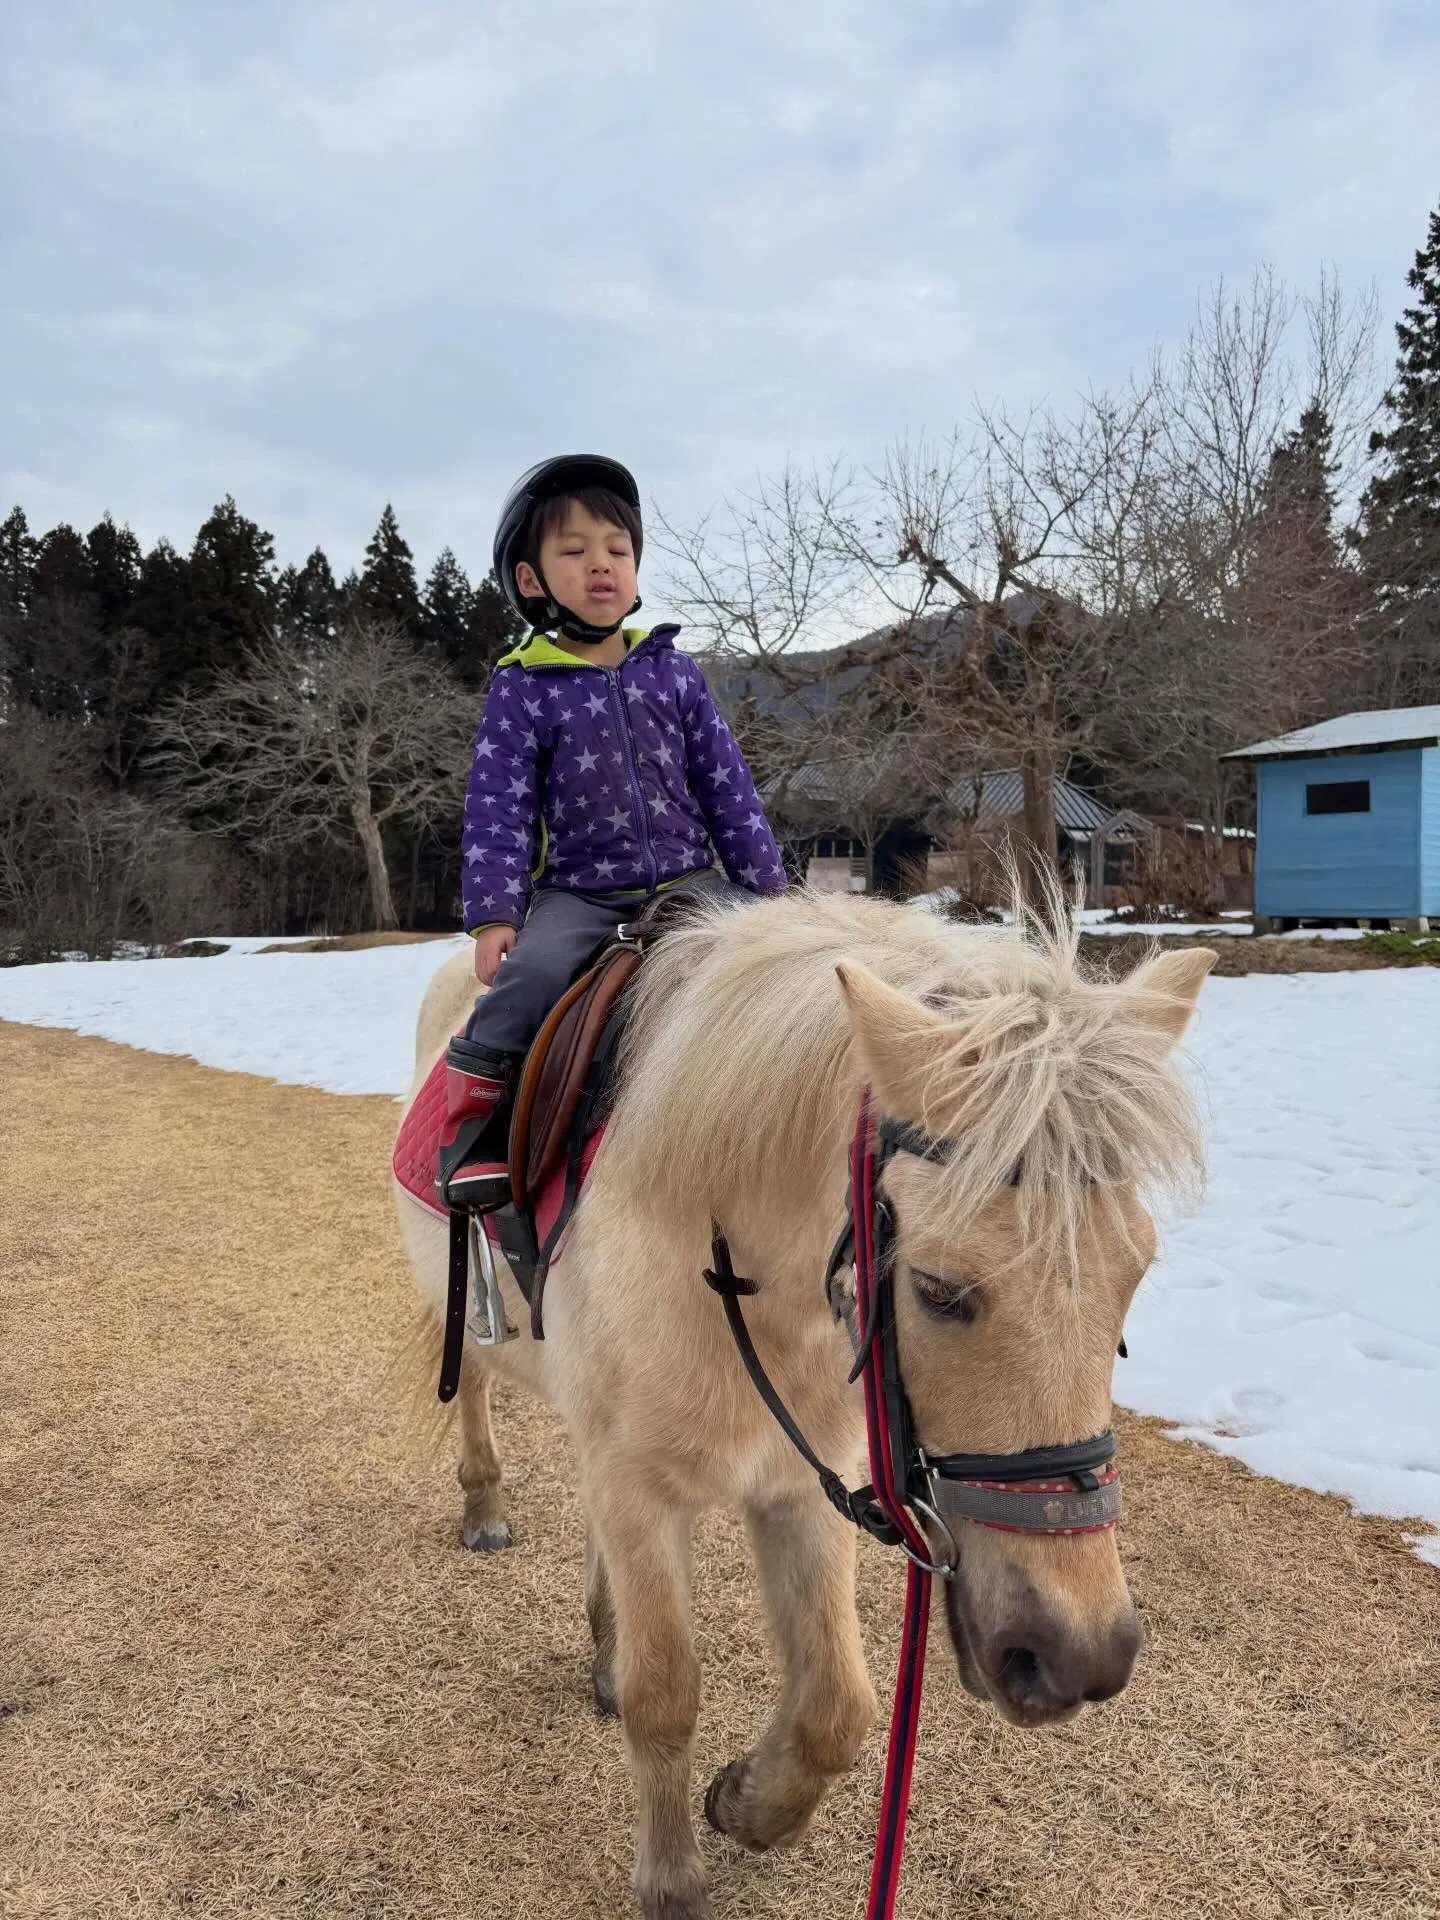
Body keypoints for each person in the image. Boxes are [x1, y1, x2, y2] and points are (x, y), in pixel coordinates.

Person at [436, 453, 787, 1209]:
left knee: (780, 974)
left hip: (695, 883)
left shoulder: (675, 673)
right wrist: (495, 912)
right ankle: (482, 1126)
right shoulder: (524, 685)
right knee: (529, 979)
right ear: (531, 582)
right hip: (584, 892)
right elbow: (497, 804)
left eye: (617, 550)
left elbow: (730, 791)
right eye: (574, 551)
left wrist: (771, 893)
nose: (601, 565)